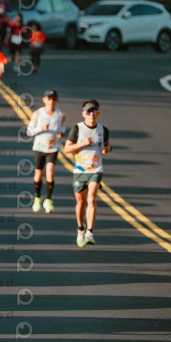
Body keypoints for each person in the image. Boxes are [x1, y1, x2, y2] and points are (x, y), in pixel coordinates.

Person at [63, 100, 112, 247]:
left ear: (98, 114)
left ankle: (90, 232)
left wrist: (107, 149)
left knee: (92, 199)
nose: (92, 115)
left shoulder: (103, 130)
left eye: (94, 112)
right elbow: (66, 149)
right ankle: (80, 229)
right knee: (80, 202)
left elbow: (107, 146)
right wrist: (82, 144)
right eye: (89, 112)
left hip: (96, 170)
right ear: (84, 114)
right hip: (80, 170)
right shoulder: (77, 129)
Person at [26, 89, 66, 213]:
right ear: (44, 100)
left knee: (50, 173)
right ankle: (37, 198)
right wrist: (40, 128)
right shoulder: (37, 114)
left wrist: (60, 133)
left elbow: (62, 128)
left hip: (53, 148)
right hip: (39, 148)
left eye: (53, 99)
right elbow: (29, 131)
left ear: (57, 100)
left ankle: (48, 200)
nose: (51, 101)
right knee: (38, 173)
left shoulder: (60, 115)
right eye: (49, 99)